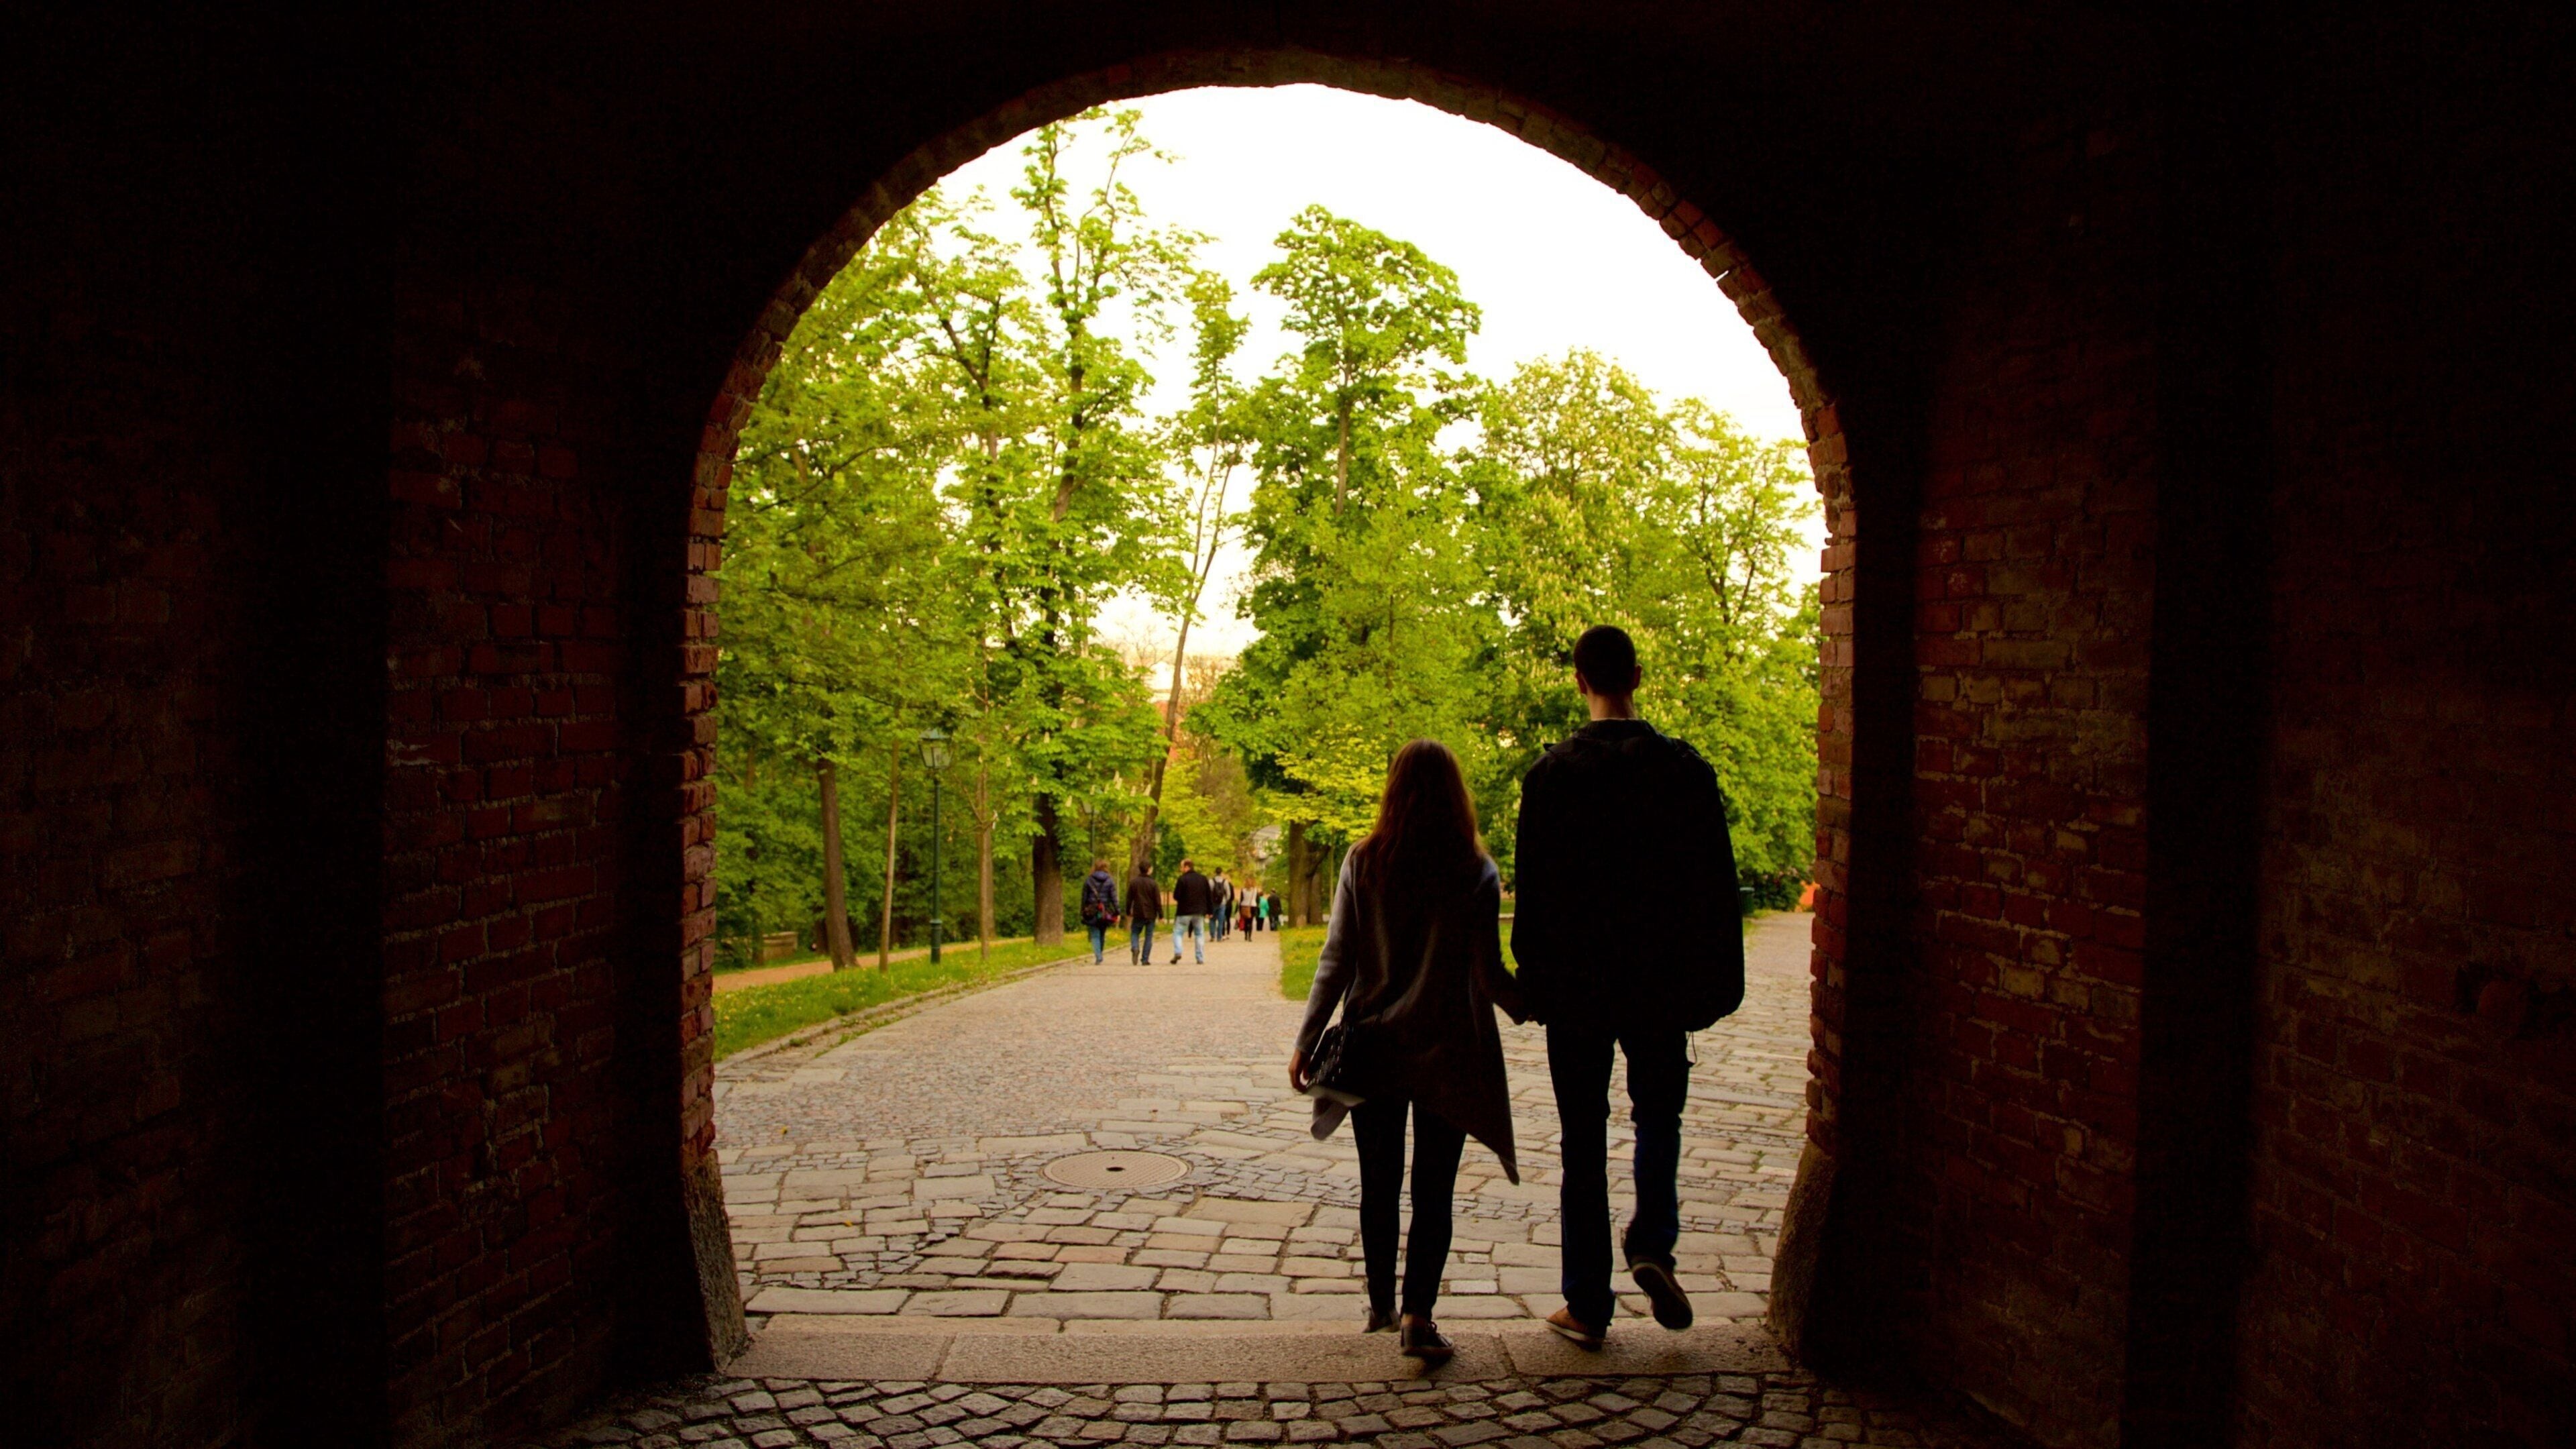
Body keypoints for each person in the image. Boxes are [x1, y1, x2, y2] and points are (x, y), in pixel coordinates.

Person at [1512, 625, 1743, 1348]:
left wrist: (1533, 980)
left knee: (1584, 1139)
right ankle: (1652, 1244)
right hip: (1660, 983)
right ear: (1636, 676)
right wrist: (1714, 981)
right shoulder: (1684, 771)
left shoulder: (1550, 777)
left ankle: (1587, 1303)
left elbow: (1537, 897)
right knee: (1659, 1120)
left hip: (1579, 988)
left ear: (1578, 681)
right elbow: (1714, 886)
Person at [1291, 740, 1526, 1364]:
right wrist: (1531, 1004)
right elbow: (1487, 973)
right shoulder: (1476, 869)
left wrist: (1307, 1039)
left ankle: (1380, 1305)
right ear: (1457, 794)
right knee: (1434, 1190)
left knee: (1380, 1183)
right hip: (1448, 1050)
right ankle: (1419, 1316)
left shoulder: (1364, 861)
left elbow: (1337, 959)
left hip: (1375, 1048)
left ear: (1393, 790)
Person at [1078, 858, 1121, 964]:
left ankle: (1098, 956)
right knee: (1102, 933)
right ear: (1106, 868)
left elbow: (1084, 897)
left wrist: (1082, 910)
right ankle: (1100, 953)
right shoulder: (1110, 880)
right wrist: (1118, 912)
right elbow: (1114, 898)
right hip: (1104, 911)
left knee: (1095, 934)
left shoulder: (1089, 880)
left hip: (1091, 911)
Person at [1171, 858, 1213, 963]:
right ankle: (1200, 958)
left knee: (1178, 932)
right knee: (1199, 934)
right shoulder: (1203, 879)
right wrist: (1210, 911)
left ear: (1186, 867)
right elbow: (1209, 896)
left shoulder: (1182, 879)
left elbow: (1176, 896)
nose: (1181, 869)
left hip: (1184, 911)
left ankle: (1178, 951)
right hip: (1199, 912)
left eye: (1181, 867)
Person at [1124, 858, 1163, 965]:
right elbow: (1157, 901)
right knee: (1149, 936)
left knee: (1135, 932)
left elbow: (1129, 899)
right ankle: (1145, 959)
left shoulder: (1134, 882)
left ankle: (1135, 947)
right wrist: (1161, 915)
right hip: (1151, 914)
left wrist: (1128, 911)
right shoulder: (1153, 883)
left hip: (1138, 912)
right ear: (1149, 869)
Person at [1211, 867, 1233, 940]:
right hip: (1222, 903)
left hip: (1213, 903)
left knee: (1213, 920)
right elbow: (1229, 894)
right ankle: (1219, 937)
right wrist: (1226, 901)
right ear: (1221, 873)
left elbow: (1208, 892)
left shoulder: (1211, 881)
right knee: (1221, 921)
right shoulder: (1225, 881)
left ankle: (1213, 936)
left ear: (1215, 872)